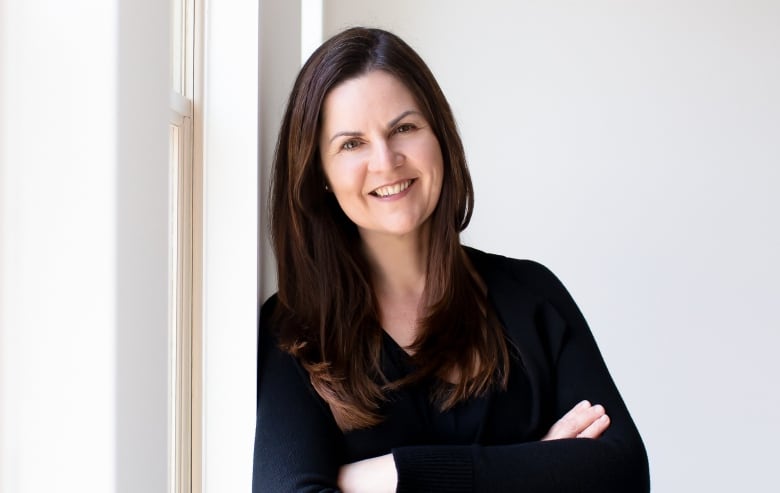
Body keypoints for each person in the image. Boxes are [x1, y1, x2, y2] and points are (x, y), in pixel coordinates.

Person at [253, 27, 649, 492]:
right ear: (318, 172)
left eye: (403, 128)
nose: (386, 161)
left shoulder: (531, 295)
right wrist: (538, 465)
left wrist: (391, 476)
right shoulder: (295, 332)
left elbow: (622, 473)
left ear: (439, 136)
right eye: (351, 144)